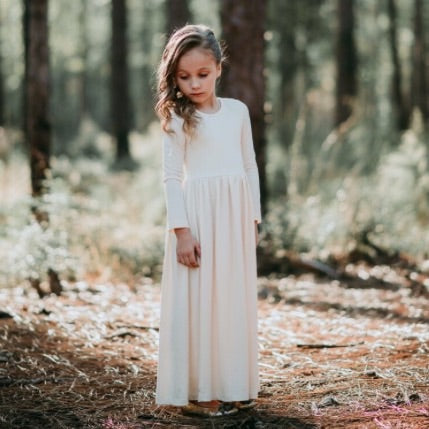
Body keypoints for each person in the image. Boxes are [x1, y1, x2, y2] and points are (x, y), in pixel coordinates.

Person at [154, 24, 262, 418]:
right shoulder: (178, 118)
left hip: (234, 216)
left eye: (202, 74)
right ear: (173, 76)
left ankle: (234, 383)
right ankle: (200, 393)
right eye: (183, 77)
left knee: (231, 300)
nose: (193, 84)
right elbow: (170, 177)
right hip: (197, 219)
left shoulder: (237, 111)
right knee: (199, 301)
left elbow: (249, 165)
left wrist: (253, 217)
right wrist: (181, 231)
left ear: (219, 67)